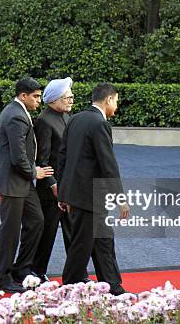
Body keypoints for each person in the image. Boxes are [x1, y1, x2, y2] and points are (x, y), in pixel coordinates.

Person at [58, 83, 129, 296]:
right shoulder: (100, 124)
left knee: (103, 241)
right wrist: (121, 199)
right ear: (108, 100)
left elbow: (63, 156)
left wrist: (63, 193)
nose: (116, 106)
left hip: (79, 194)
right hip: (90, 196)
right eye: (116, 101)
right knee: (82, 244)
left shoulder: (75, 119)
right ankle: (69, 287)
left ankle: (113, 287)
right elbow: (108, 164)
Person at [0, 77, 53, 293]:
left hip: (21, 182)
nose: (39, 101)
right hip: (14, 181)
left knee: (36, 221)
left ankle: (21, 268)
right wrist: (33, 171)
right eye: (35, 96)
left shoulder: (18, 112)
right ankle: (1, 278)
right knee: (10, 232)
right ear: (23, 96)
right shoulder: (16, 115)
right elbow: (18, 157)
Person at [31, 77, 88, 283]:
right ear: (54, 99)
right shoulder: (45, 121)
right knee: (47, 232)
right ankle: (37, 272)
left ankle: (77, 273)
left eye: (72, 96)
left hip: (68, 185)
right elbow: (43, 159)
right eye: (67, 97)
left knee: (73, 231)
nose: (71, 100)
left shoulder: (66, 116)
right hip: (51, 189)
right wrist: (53, 184)